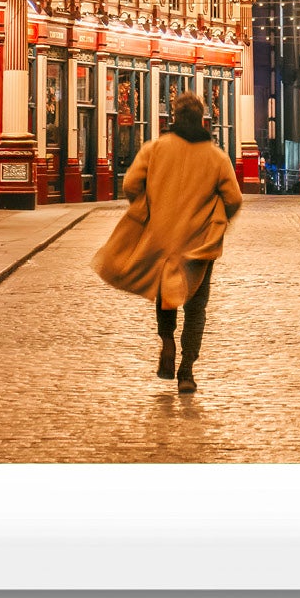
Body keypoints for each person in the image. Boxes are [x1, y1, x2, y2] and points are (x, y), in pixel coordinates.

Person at [92, 89, 243, 394]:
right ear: (202, 119)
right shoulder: (216, 157)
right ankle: (187, 371)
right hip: (200, 243)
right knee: (197, 306)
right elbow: (234, 198)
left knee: (166, 296)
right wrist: (217, 218)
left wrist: (149, 209)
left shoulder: (154, 149)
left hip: (161, 238)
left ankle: (167, 342)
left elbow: (131, 184)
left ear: (174, 116)